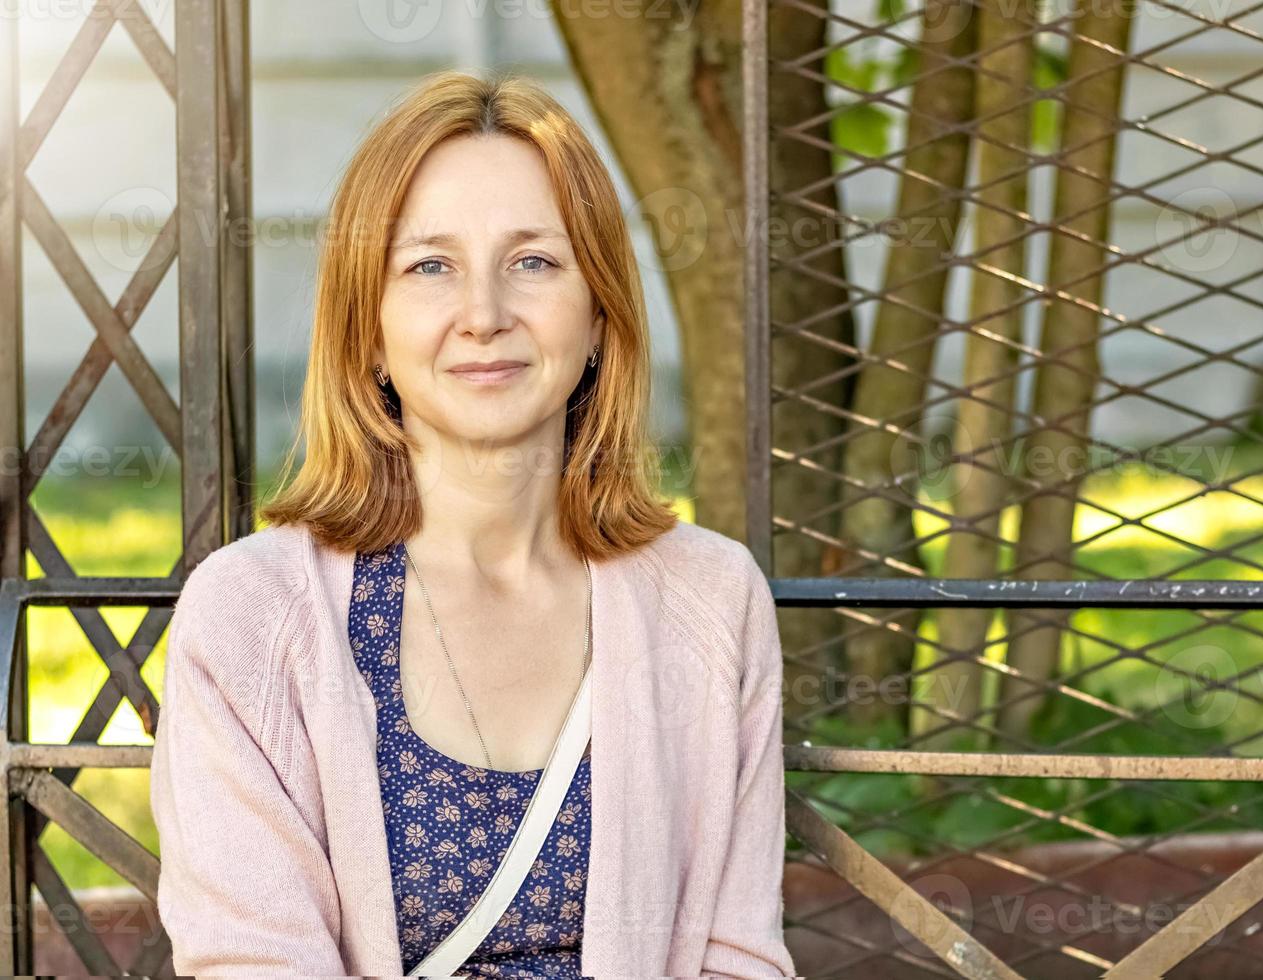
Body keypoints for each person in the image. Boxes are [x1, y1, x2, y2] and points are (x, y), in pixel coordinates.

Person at [149, 69, 797, 978]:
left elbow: (738, 957)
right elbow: (251, 961)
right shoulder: (253, 616)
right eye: (429, 267)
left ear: (601, 313)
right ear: (367, 328)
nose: (485, 316)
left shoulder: (709, 597)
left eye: (534, 261)